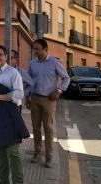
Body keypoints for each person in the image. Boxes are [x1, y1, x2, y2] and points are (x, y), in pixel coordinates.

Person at [0, 45, 27, 184]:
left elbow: (19, 93)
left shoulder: (13, 73)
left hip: (10, 116)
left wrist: (0, 97)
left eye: (0, 55)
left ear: (5, 56)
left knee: (13, 153)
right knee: (1, 153)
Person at [26, 38, 70, 168]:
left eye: (37, 49)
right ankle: (37, 153)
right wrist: (27, 96)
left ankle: (49, 156)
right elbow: (28, 80)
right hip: (34, 98)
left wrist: (59, 90)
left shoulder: (54, 63)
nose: (35, 51)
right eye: (34, 49)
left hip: (49, 100)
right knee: (35, 128)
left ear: (45, 49)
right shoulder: (33, 63)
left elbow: (66, 78)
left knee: (48, 128)